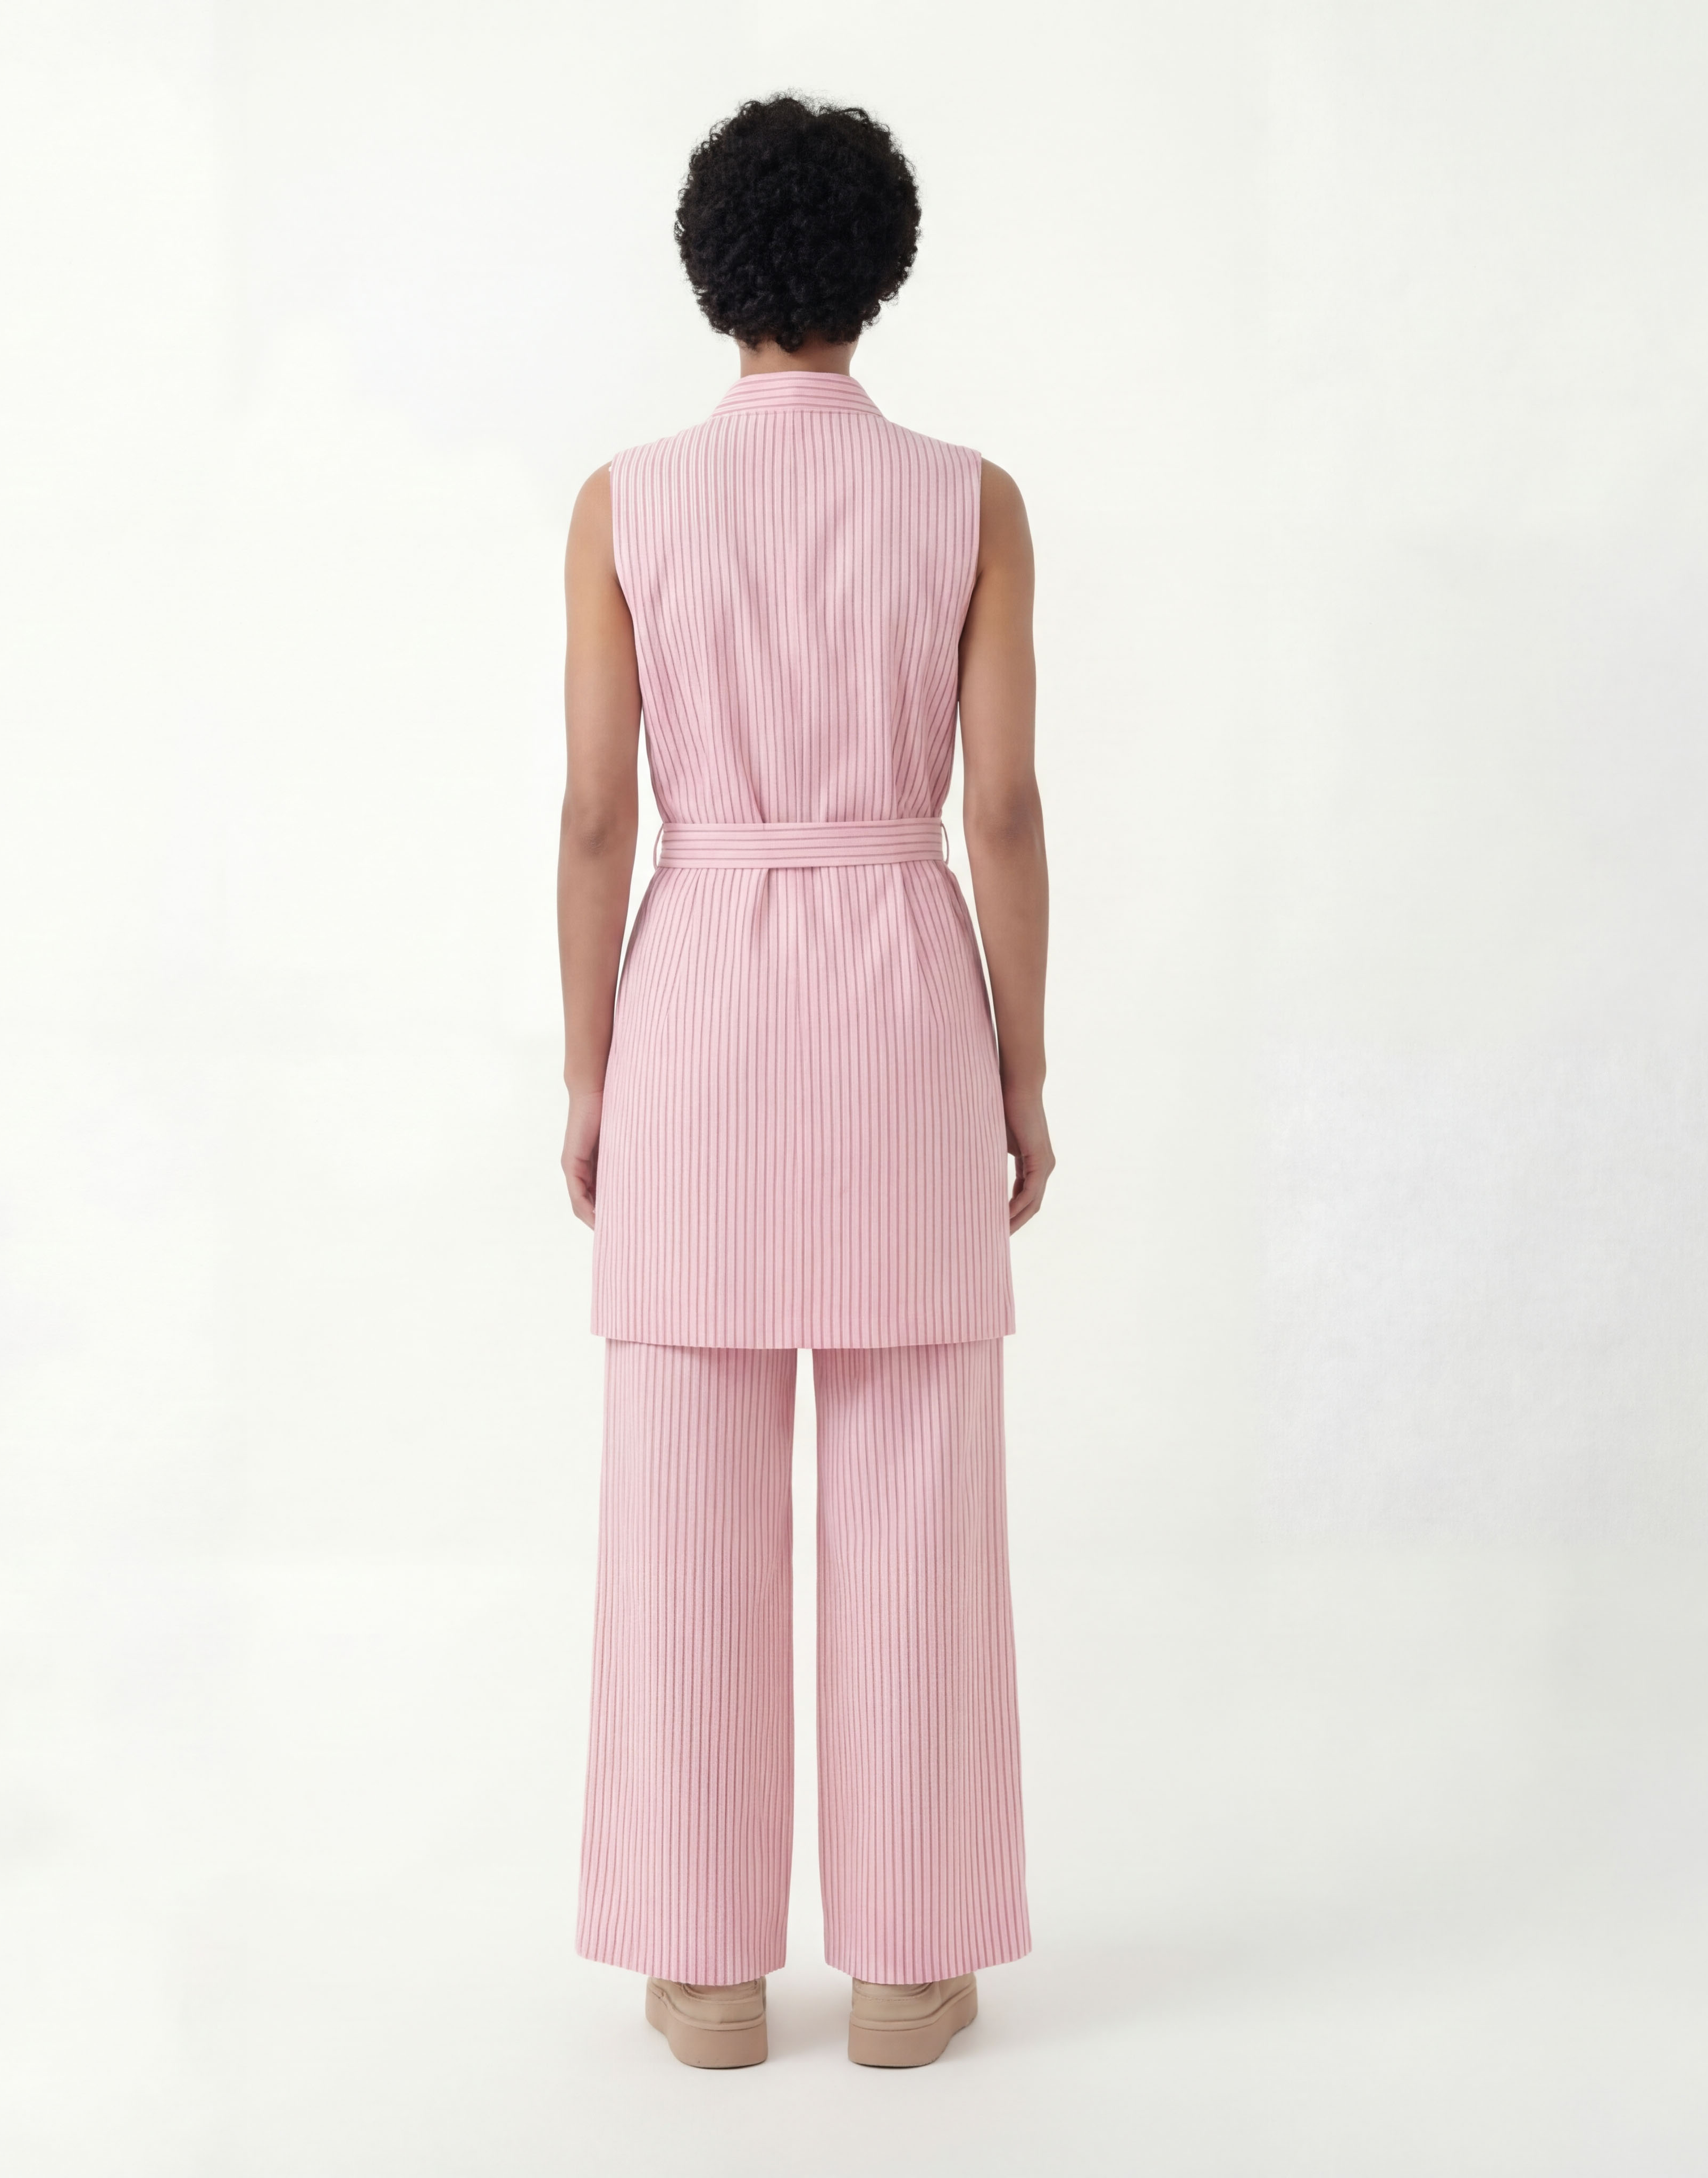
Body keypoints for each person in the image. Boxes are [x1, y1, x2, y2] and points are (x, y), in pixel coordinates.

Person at [556, 93, 1053, 2071]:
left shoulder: (624, 504)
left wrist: (588, 1072)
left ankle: (702, 1969)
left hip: (695, 996)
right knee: (920, 1488)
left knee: (684, 1494)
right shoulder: (972, 501)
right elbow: (999, 808)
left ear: (713, 272)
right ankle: (912, 1967)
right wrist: (1026, 1066)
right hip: (902, 990)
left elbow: (598, 816)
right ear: (882, 268)